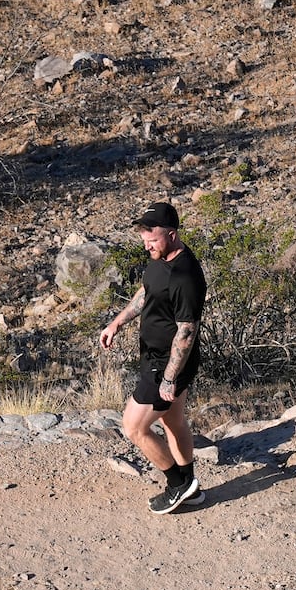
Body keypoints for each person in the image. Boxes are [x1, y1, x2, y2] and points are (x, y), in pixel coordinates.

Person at [99, 202, 207, 514]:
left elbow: (187, 331)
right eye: (144, 238)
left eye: (152, 238)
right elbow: (147, 292)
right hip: (157, 359)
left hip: (166, 364)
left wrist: (169, 379)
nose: (147, 245)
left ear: (171, 235)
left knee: (134, 427)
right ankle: (191, 488)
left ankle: (178, 484)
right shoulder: (159, 258)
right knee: (173, 423)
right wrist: (118, 322)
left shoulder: (185, 277)